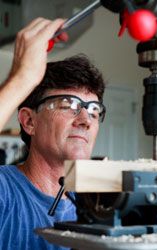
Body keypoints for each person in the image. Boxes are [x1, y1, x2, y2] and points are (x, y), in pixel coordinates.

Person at [0, 18, 106, 249]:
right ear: (29, 121)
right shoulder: (4, 190)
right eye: (68, 105)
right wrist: (23, 78)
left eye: (94, 111)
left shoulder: (100, 203)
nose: (86, 120)